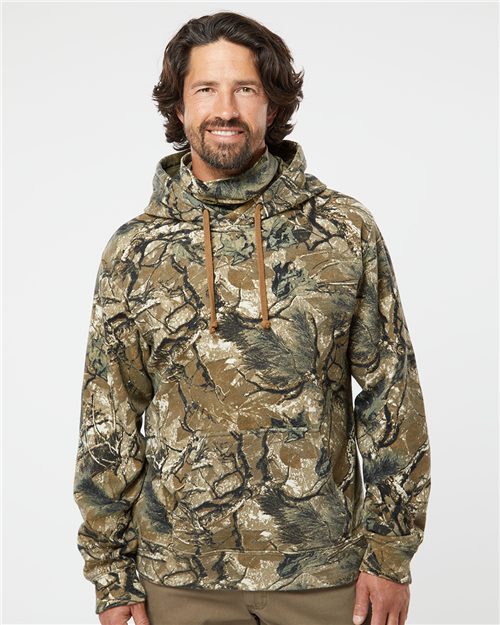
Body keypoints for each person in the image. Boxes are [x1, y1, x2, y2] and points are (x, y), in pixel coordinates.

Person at [73, 11, 431, 625]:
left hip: (326, 575)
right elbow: (108, 417)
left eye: (245, 88)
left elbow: (391, 395)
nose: (225, 109)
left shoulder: (343, 230)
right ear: (179, 106)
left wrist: (391, 557)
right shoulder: (135, 251)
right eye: (205, 89)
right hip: (177, 580)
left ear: (273, 103)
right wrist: (111, 575)